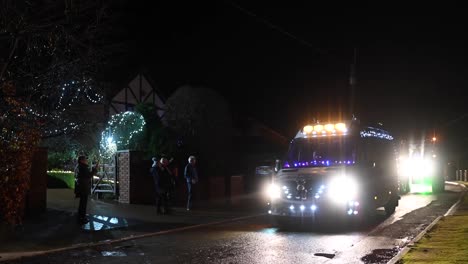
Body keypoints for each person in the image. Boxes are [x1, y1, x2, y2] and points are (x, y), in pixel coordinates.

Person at [74, 155, 99, 224]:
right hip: (83, 188)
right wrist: (95, 169)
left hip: (81, 187)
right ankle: (82, 218)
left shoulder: (80, 166)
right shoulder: (83, 167)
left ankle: (81, 216)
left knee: (82, 203)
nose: (86, 160)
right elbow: (89, 175)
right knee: (83, 203)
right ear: (82, 160)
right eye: (85, 159)